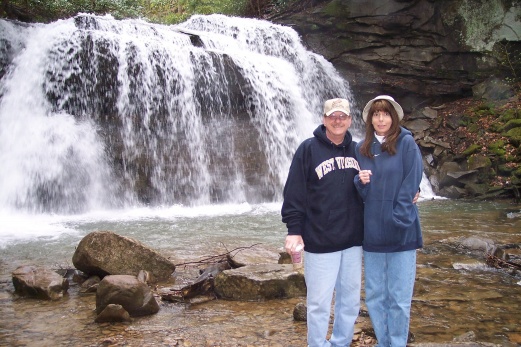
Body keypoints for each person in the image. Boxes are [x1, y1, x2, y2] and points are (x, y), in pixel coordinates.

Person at [281, 98, 364, 347]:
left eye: (342, 116)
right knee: (318, 303)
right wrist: (294, 230)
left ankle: (341, 342)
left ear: (350, 120)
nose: (337, 121)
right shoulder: (308, 149)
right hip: (319, 239)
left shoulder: (359, 150)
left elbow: (380, 181)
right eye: (332, 116)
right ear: (324, 119)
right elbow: (294, 192)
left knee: (349, 300)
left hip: (353, 240)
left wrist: (410, 190)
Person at [354, 95, 423, 347]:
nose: (380, 119)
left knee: (400, 298)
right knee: (374, 296)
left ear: (394, 117)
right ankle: (384, 343)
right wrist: (358, 182)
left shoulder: (407, 144)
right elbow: (358, 191)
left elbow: (411, 183)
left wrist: (399, 218)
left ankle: (397, 344)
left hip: (402, 231)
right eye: (375, 114)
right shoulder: (361, 148)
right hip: (371, 232)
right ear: (370, 119)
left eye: (385, 114)